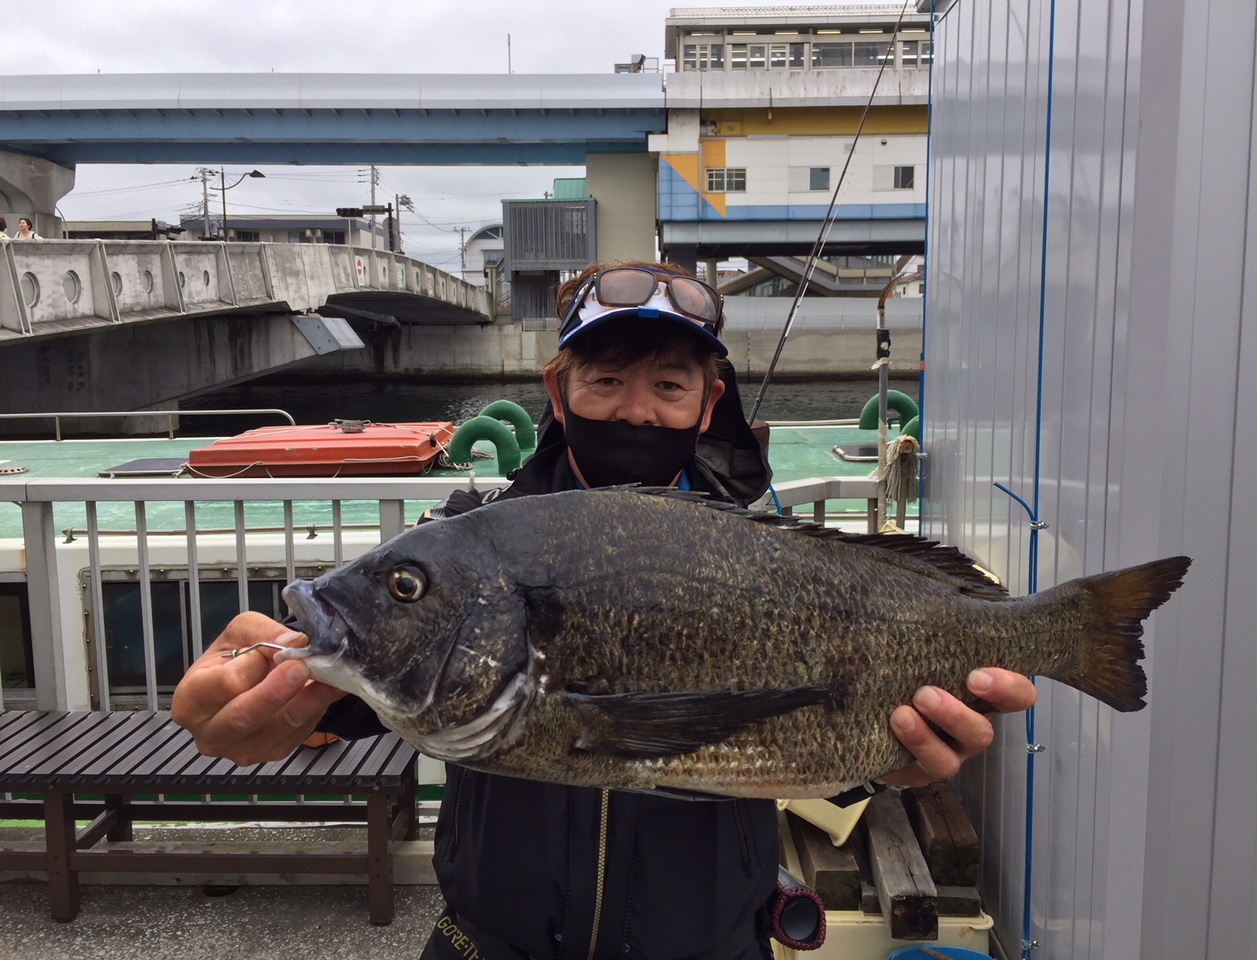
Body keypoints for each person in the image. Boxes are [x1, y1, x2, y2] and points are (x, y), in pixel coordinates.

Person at [172, 260, 1037, 960]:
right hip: (489, 946)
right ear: (559, 389)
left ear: (710, 400)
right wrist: (245, 704)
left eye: (669, 383)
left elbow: (812, 747)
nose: (636, 408)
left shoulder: (775, 555)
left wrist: (893, 762)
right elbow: (324, 706)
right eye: (606, 377)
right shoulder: (464, 551)